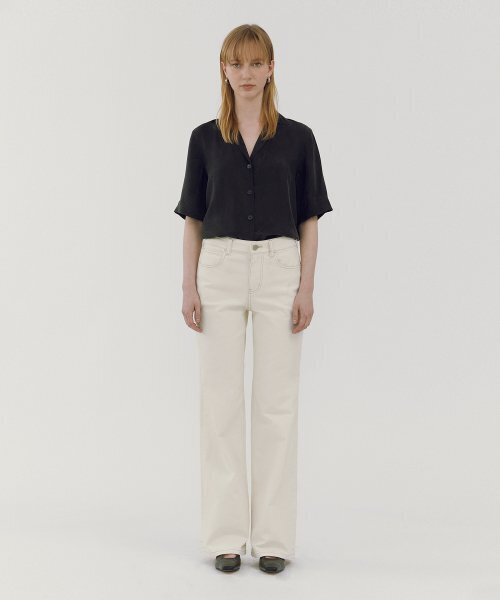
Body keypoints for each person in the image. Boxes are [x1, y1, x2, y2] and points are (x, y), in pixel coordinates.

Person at [174, 24, 333, 574]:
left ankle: (272, 540)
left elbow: (309, 218)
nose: (246, 73)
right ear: (224, 70)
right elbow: (193, 218)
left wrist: (306, 287)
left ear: (271, 69)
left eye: (256, 63)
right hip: (217, 269)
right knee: (220, 402)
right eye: (237, 63)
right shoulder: (203, 139)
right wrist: (189, 285)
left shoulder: (298, 139)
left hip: (279, 270)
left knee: (275, 404)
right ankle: (224, 537)